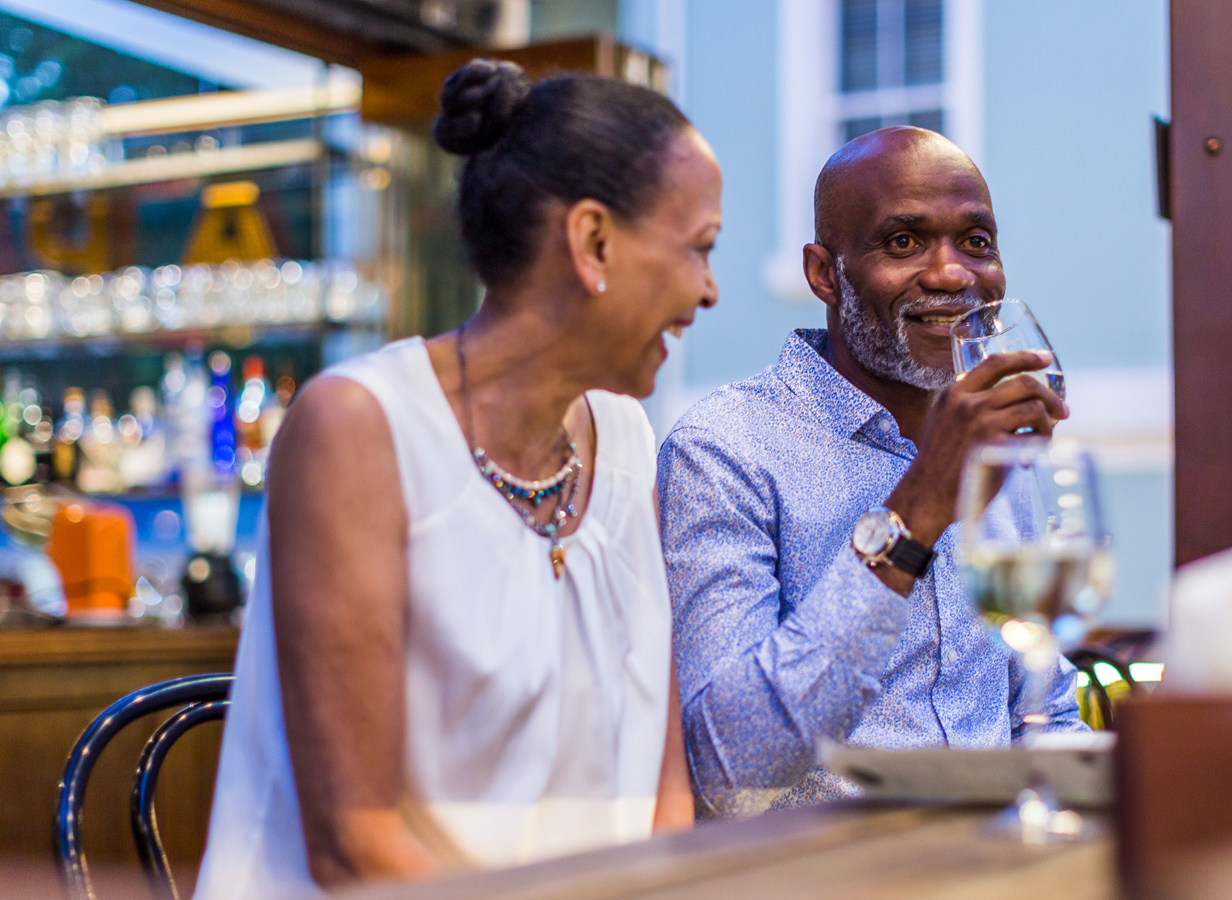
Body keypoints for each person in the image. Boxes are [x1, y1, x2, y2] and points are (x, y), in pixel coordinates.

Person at [194, 59, 722, 898]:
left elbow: (662, 797)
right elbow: (355, 852)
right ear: (592, 242)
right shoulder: (357, 428)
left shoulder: (624, 437)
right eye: (698, 248)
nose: (710, 290)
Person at [657, 126, 1084, 818]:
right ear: (825, 273)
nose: (953, 274)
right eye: (904, 242)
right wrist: (918, 509)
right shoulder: (723, 450)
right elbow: (732, 773)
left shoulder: (1000, 447)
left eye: (976, 242)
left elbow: (1044, 712)